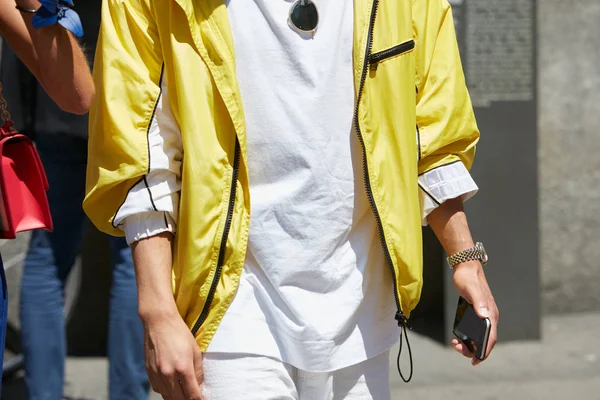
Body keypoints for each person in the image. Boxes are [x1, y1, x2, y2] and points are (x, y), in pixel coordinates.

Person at [85, 0, 500, 399]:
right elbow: (142, 153)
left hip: (362, 308)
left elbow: (433, 134)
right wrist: (157, 311)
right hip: (230, 308)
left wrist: (466, 259)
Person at [1, 0, 150, 398]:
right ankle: (128, 394)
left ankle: (43, 393)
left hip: (54, 104)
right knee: (134, 253)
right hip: (124, 102)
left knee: (48, 258)